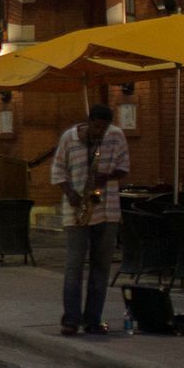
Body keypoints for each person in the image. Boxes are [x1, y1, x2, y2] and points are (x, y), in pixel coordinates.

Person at [50, 104, 130, 335]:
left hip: (107, 209)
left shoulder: (115, 136)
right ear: (89, 122)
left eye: (104, 128)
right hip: (77, 211)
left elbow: (124, 167)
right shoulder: (70, 137)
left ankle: (93, 319)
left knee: (101, 266)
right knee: (74, 266)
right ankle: (71, 319)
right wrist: (70, 193)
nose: (100, 132)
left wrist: (105, 178)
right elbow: (57, 170)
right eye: (96, 127)